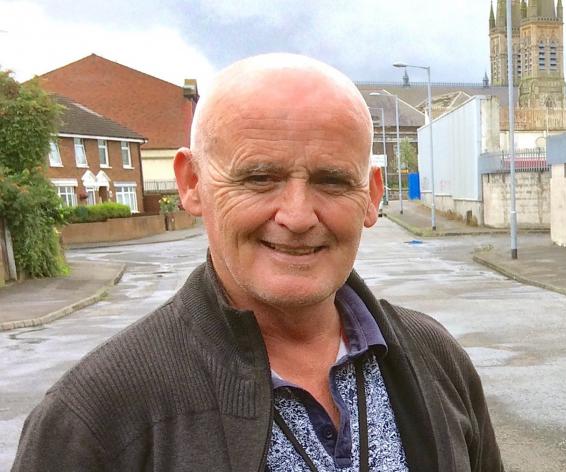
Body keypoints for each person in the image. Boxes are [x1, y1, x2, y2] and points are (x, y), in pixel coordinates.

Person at [13, 54, 503, 472]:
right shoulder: (94, 417)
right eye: (259, 178)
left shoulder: (436, 358)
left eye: (332, 181)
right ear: (191, 183)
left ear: (372, 196)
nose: (297, 216)